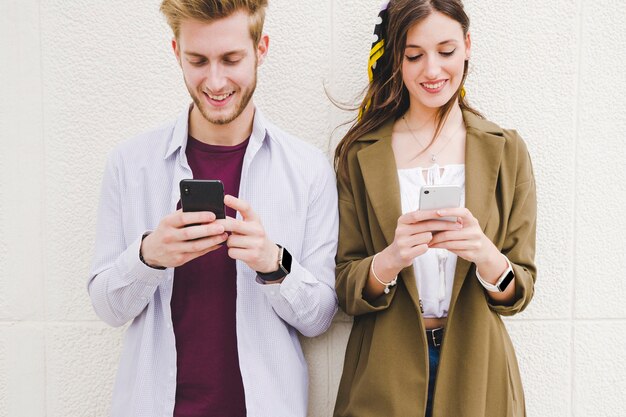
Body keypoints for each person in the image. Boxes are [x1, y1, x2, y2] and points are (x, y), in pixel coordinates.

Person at [88, 1, 338, 416]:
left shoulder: (308, 169)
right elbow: (107, 308)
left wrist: (273, 263)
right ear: (176, 53)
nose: (215, 80)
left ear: (261, 50)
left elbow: (320, 318)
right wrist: (148, 256)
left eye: (231, 59)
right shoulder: (130, 165)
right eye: (198, 60)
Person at [333, 1, 536, 416]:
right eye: (414, 55)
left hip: (478, 370)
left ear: (467, 45)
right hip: (383, 373)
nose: (432, 70)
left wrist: (485, 254)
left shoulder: (506, 149)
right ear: (396, 57)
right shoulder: (361, 153)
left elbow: (521, 289)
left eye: (445, 51)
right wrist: (389, 260)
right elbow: (344, 285)